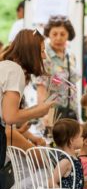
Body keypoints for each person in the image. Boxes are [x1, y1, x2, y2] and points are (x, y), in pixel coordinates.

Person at [0, 29, 54, 165]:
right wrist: (39, 111)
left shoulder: (6, 66)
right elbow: (10, 117)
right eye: (42, 51)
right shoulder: (14, 70)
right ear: (31, 52)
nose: (44, 57)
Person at [36, 16, 79, 121]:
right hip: (52, 113)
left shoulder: (71, 56)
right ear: (48, 35)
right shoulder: (43, 57)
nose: (58, 38)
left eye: (62, 34)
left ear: (68, 35)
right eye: (54, 34)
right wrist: (44, 115)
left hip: (71, 111)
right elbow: (41, 88)